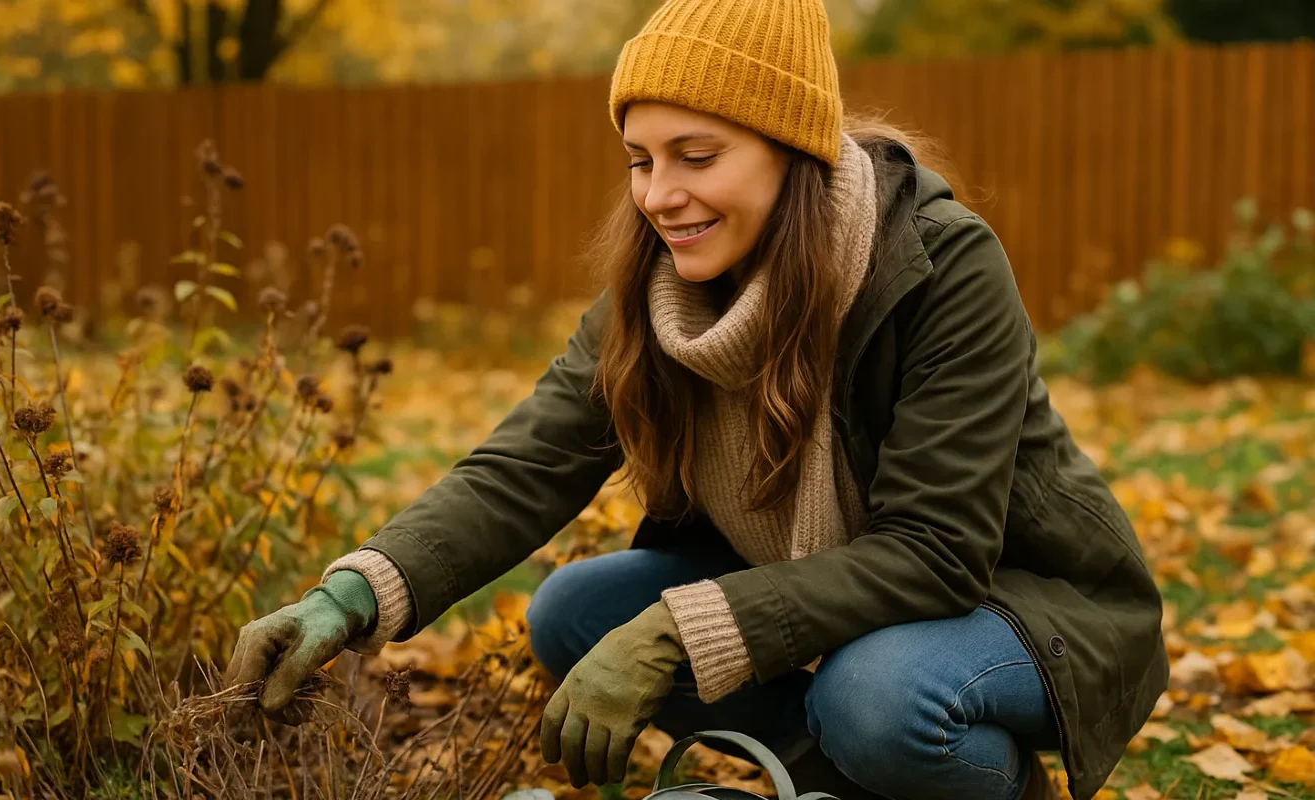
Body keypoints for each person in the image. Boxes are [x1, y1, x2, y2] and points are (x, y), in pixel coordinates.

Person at [224, 1, 1168, 798]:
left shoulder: (940, 266)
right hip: (828, 583)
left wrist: (683, 631)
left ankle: (985, 784)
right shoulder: (657, 292)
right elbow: (525, 467)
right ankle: (837, 781)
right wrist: (350, 596)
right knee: (574, 611)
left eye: (697, 156)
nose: (659, 195)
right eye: (641, 159)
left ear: (791, 149)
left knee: (874, 699)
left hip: (1016, 599)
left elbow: (936, 551)